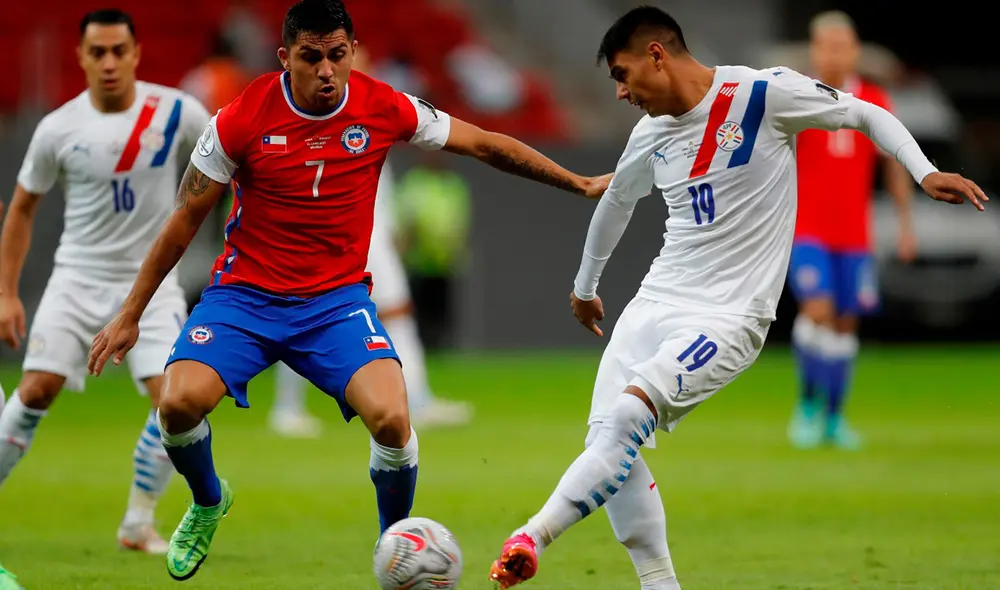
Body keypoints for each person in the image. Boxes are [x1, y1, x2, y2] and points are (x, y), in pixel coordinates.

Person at [86, 0, 609, 581]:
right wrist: (130, 313)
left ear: (353, 51)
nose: (327, 71)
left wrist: (578, 181)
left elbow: (483, 143)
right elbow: (185, 217)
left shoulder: (383, 105)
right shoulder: (239, 117)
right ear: (286, 58)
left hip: (334, 305)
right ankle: (209, 500)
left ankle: (396, 545)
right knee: (177, 406)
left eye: (338, 55)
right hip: (244, 299)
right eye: (312, 58)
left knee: (392, 419)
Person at [488, 7, 986, 589]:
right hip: (656, 301)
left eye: (622, 75)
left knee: (626, 417)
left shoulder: (762, 94)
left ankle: (531, 537)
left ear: (656, 54)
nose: (620, 93)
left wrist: (924, 172)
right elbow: (617, 203)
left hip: (729, 316)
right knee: (607, 440)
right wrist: (585, 288)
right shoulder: (650, 133)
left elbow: (863, 112)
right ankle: (659, 584)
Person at [0, 9, 210, 555]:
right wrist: (5, 293)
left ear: (137, 53)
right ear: (82, 58)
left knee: (175, 406)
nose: (110, 62)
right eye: (99, 53)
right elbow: (21, 209)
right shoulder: (59, 128)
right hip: (76, 278)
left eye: (120, 50)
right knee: (35, 390)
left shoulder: (179, 112)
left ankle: (138, 523)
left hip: (151, 285)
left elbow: (229, 159)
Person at [269, 47, 472, 437]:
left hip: (372, 234)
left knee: (393, 314)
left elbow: (381, 187)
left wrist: (392, 228)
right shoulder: (331, 115)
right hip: (344, 237)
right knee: (303, 316)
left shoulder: (370, 113)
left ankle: (416, 400)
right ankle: (288, 408)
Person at [786, 11, 915, 450]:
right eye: (827, 45)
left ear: (855, 50)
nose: (835, 53)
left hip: (854, 236)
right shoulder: (797, 95)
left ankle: (834, 418)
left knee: (844, 326)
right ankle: (806, 405)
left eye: (843, 45)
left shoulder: (875, 98)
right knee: (817, 310)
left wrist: (904, 225)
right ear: (815, 49)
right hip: (806, 230)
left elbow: (893, 164)